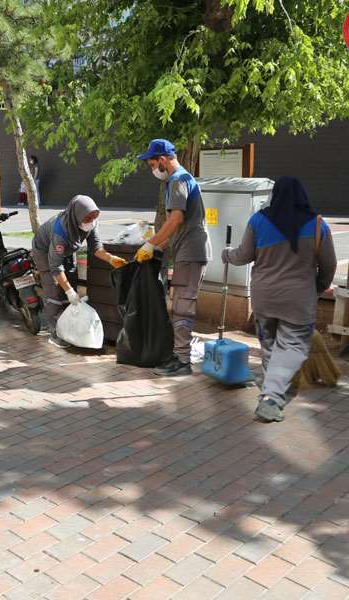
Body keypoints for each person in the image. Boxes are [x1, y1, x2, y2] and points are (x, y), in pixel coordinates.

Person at [223, 177, 336, 422]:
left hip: (264, 297)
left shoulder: (259, 220)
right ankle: (272, 398)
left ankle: (269, 389)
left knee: (269, 342)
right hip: (298, 299)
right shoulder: (318, 225)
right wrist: (317, 289)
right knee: (293, 346)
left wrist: (227, 255)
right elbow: (329, 265)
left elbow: (243, 255)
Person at [135, 139, 211, 376]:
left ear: (163, 159)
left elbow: (175, 220)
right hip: (188, 249)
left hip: (191, 252)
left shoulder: (178, 180)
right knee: (180, 304)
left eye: (152, 163)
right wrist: (158, 247)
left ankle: (183, 362)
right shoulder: (183, 178)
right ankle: (179, 355)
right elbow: (179, 227)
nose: (152, 169)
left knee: (182, 307)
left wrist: (151, 243)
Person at [33, 195, 127, 348]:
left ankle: (68, 324)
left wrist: (111, 259)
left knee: (72, 281)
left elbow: (96, 248)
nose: (91, 221)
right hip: (44, 252)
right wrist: (69, 292)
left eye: (95, 216)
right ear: (76, 216)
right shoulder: (60, 231)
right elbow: (56, 267)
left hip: (68, 250)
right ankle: (55, 332)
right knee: (55, 290)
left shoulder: (91, 223)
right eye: (88, 218)